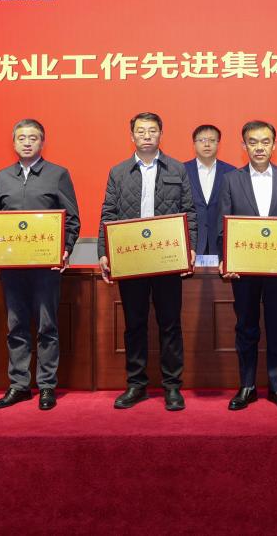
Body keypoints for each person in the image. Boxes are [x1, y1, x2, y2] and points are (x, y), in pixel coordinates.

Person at [98, 112, 197, 411]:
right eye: (140, 131)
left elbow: (189, 211)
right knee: (134, 324)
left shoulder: (177, 168)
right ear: (132, 136)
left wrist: (189, 246)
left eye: (152, 131)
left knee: (170, 324)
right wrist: (104, 251)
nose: (146, 136)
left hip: (166, 258)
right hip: (131, 259)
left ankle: (172, 386)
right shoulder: (118, 172)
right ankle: (136, 384)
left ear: (160, 135)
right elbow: (108, 213)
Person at [0, 119, 80, 411]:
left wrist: (64, 249)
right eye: (21, 138)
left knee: (47, 326)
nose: (27, 142)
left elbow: (72, 219)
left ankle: (47, 385)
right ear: (14, 143)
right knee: (15, 326)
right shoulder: (1, 177)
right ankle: (19, 385)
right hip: (11, 266)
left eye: (33, 138)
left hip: (46, 266)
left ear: (42, 142)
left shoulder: (57, 174)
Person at [217, 120, 277, 411]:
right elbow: (223, 224)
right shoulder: (231, 179)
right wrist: (226, 259)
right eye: (252, 142)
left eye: (265, 142)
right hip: (243, 269)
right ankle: (247, 386)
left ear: (274, 145)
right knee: (246, 327)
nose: (259, 147)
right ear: (244, 146)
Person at [184, 124, 235, 258]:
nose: (207, 144)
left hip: (220, 243)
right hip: (191, 243)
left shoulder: (231, 172)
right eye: (202, 140)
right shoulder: (182, 171)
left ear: (219, 144)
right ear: (194, 144)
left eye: (212, 140)